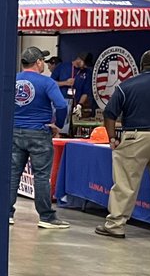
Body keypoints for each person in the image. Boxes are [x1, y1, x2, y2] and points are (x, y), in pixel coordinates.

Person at [95, 49, 150, 239]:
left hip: (135, 137)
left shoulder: (127, 85)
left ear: (141, 66)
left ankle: (115, 225)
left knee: (125, 183)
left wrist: (112, 138)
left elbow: (109, 114)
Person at [10, 46, 70, 229]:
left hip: (14, 131)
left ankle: (7, 214)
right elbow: (61, 105)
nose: (43, 63)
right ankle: (46, 217)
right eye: (42, 60)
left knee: (12, 175)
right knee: (42, 176)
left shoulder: (12, 80)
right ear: (37, 62)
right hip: (38, 133)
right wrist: (58, 125)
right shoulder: (47, 82)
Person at [71, 52, 95, 116]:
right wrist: (64, 83)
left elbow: (86, 92)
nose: (85, 66)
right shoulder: (64, 67)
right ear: (79, 59)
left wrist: (79, 105)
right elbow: (53, 83)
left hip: (77, 103)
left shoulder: (87, 72)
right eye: (84, 64)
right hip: (64, 103)